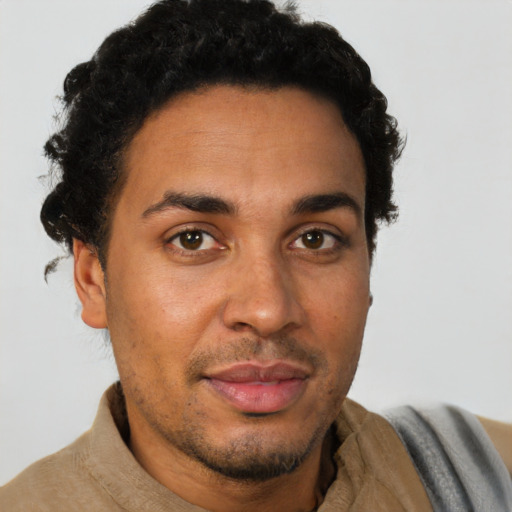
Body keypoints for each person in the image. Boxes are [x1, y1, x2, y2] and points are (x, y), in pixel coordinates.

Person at [1, 0, 511, 510]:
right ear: (93, 280)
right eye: (193, 239)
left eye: (315, 239)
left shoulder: (485, 480)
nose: (267, 311)